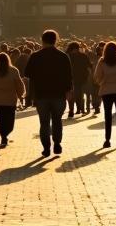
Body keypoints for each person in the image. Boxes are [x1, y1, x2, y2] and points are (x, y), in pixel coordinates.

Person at [25, 29, 73, 157]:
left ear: (42, 40)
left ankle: (46, 147)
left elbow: (27, 73)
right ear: (56, 40)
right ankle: (57, 143)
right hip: (59, 94)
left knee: (44, 122)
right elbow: (69, 76)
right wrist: (68, 92)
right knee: (57, 120)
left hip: (41, 94)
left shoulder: (35, 56)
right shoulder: (63, 56)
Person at [94, 40, 116, 148]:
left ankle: (107, 140)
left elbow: (96, 76)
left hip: (106, 90)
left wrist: (103, 81)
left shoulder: (102, 61)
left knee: (107, 116)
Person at [0, 51, 25, 148]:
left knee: (1, 119)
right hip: (10, 100)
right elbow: (19, 84)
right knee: (9, 120)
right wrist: (21, 95)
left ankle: (3, 136)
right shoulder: (13, 70)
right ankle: (5, 134)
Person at [67, 41, 91, 118]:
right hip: (82, 78)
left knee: (71, 94)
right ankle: (80, 108)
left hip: (70, 78)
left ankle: (71, 110)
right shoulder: (83, 56)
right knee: (79, 94)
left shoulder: (67, 56)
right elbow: (89, 66)